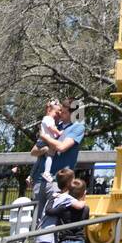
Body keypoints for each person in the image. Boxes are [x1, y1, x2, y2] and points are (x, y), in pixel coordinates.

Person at [29, 98, 86, 228]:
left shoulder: (78, 127)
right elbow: (33, 151)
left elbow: (62, 147)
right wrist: (46, 148)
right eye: (60, 111)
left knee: (52, 223)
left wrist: (46, 138)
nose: (60, 114)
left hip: (58, 181)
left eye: (64, 112)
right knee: (37, 222)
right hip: (40, 180)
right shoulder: (54, 126)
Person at [36, 168, 78, 243]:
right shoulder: (67, 198)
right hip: (48, 238)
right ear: (69, 183)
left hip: (41, 234)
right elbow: (80, 206)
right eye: (74, 180)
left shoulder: (54, 196)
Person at [57, 178, 91, 243]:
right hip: (79, 240)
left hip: (64, 240)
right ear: (84, 193)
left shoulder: (63, 207)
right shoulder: (86, 209)